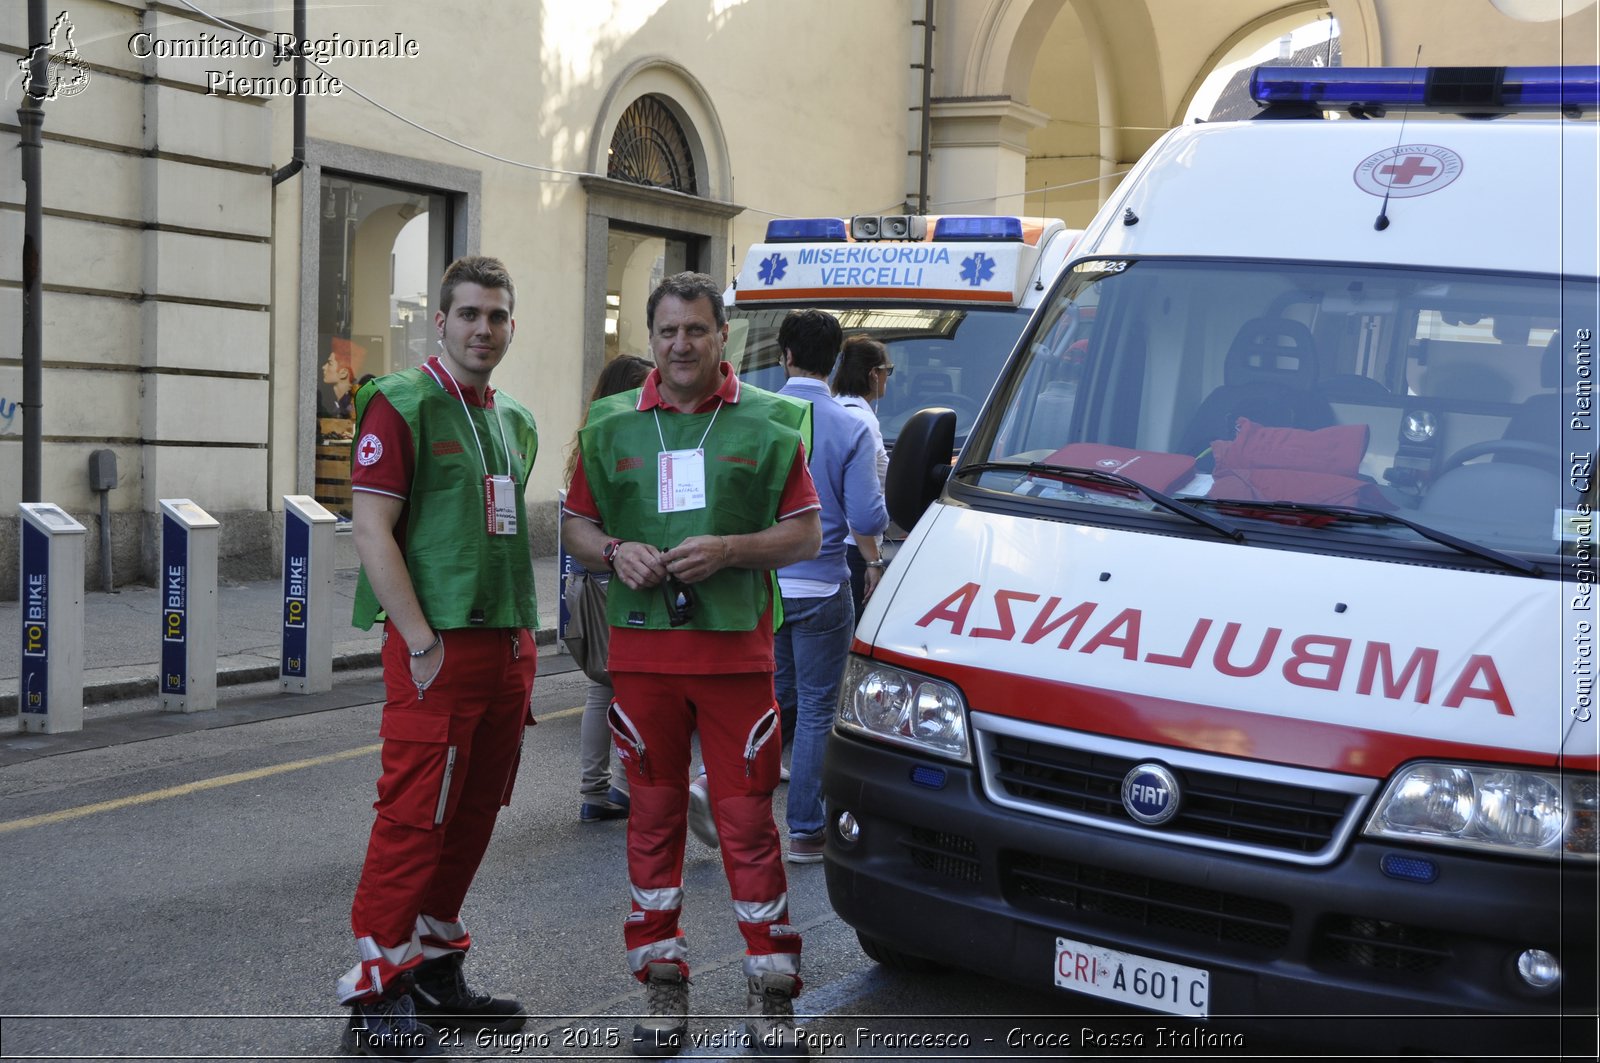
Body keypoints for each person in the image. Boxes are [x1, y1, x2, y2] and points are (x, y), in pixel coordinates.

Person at [561, 272, 822, 1061]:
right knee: (652, 820)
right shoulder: (609, 424)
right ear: (651, 337)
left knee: (746, 825)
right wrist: (614, 551)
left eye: (697, 331)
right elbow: (575, 526)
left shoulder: (771, 423)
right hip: (642, 660)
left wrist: (731, 550)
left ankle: (771, 989)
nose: (682, 345)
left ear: (722, 337)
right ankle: (661, 979)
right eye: (668, 331)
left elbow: (806, 533)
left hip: (737, 656)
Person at [338, 255, 538, 1060]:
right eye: (468, 315)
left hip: (506, 646)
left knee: (475, 814)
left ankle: (434, 971)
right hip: (437, 648)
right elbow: (370, 529)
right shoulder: (402, 402)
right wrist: (419, 639)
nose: (483, 329)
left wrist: (525, 641)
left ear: (510, 325)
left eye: (496, 315)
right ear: (441, 321)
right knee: (413, 818)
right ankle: (376, 995)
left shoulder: (512, 417)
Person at [771, 314, 888, 864]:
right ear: (836, 359)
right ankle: (805, 831)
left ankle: (724, 800)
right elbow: (867, 513)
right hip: (821, 585)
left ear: (784, 355)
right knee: (819, 708)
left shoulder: (757, 416)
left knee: (767, 700)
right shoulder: (851, 426)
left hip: (761, 583)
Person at [563, 353, 654, 822]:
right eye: (641, 388)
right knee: (629, 688)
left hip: (592, 579)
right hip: (615, 580)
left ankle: (595, 791)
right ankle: (622, 787)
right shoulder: (619, 437)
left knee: (603, 687)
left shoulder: (588, 436)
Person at [830, 336, 893, 617]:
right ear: (873, 374)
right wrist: (873, 561)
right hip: (856, 548)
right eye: (887, 371)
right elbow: (858, 500)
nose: (887, 378)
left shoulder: (831, 409)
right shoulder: (863, 422)